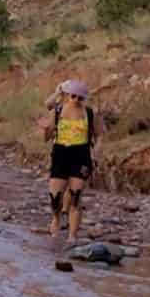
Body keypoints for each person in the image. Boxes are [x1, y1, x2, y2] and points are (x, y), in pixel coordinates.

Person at [38, 78, 100, 242]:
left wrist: (96, 153)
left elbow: (100, 135)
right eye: (73, 96)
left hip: (81, 156)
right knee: (55, 197)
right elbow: (47, 137)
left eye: (80, 97)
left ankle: (72, 235)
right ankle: (57, 218)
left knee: (75, 197)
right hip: (60, 154)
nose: (76, 100)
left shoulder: (90, 113)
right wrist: (45, 129)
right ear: (67, 95)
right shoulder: (57, 111)